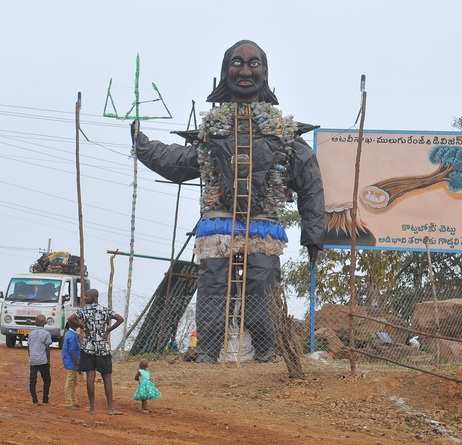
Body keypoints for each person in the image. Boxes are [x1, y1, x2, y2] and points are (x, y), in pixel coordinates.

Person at [132, 40, 325, 363]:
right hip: (219, 224)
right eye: (237, 62)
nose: (245, 70)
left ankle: (266, 352)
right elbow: (181, 161)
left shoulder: (282, 132)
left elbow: (310, 181)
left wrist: (314, 234)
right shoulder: (212, 131)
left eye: (254, 63)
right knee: (213, 285)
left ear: (265, 72)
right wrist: (143, 145)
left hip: (262, 226)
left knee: (262, 286)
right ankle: (207, 351)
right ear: (225, 73)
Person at [68, 289, 124, 415]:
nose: (85, 298)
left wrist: (82, 326)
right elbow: (120, 319)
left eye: (87, 296)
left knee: (90, 377)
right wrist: (108, 330)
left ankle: (92, 408)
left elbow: (71, 318)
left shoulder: (84, 311)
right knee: (107, 378)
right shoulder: (105, 310)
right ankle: (110, 408)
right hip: (103, 347)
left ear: (93, 297)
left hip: (88, 347)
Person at [27, 314, 52, 404]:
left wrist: (30, 357)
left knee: (32, 381)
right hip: (43, 360)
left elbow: (28, 347)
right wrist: (48, 361)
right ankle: (45, 398)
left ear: (36, 323)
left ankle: (34, 399)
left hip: (33, 360)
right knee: (47, 380)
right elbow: (47, 348)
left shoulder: (31, 333)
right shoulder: (46, 334)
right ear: (44, 323)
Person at [62, 319, 81, 408]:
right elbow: (72, 351)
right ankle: (69, 402)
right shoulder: (73, 336)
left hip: (70, 361)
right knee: (70, 382)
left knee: (73, 381)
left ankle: (73, 400)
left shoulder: (69, 334)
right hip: (72, 362)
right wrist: (77, 363)